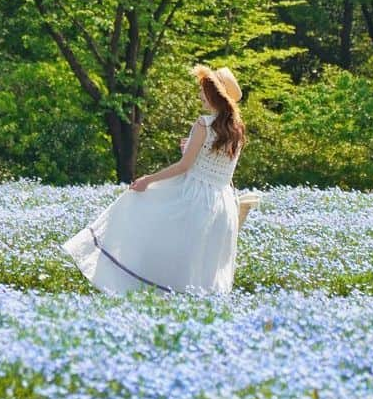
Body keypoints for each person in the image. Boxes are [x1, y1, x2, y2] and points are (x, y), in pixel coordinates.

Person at [59, 64, 248, 295]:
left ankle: (144, 293)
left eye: (204, 91)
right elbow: (217, 168)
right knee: (202, 265)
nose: (200, 95)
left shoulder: (203, 124)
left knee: (155, 233)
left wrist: (148, 180)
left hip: (194, 198)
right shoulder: (237, 129)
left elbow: (184, 167)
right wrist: (189, 150)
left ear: (215, 95)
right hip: (222, 205)